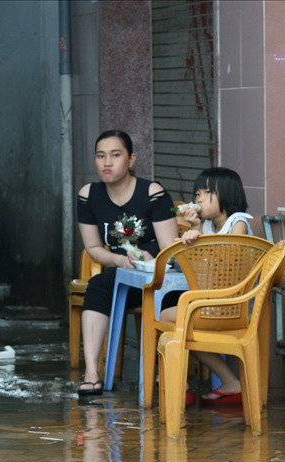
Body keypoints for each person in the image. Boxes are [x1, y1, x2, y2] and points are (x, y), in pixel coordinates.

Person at [76, 130, 178, 397]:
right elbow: (94, 248)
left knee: (173, 299)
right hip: (121, 275)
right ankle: (91, 373)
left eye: (115, 155)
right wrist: (121, 260)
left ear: (131, 159)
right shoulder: (89, 195)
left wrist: (150, 258)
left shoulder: (152, 192)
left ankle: (168, 373)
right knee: (98, 286)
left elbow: (171, 248)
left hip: (158, 276)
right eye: (100, 156)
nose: (107, 162)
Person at [159, 167, 255, 405]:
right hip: (212, 303)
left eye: (206, 192)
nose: (198, 199)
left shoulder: (238, 222)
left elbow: (226, 262)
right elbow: (200, 271)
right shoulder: (208, 226)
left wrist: (199, 235)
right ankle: (194, 383)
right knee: (175, 322)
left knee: (167, 318)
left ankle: (182, 383)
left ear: (227, 194)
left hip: (232, 305)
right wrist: (195, 233)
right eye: (197, 193)